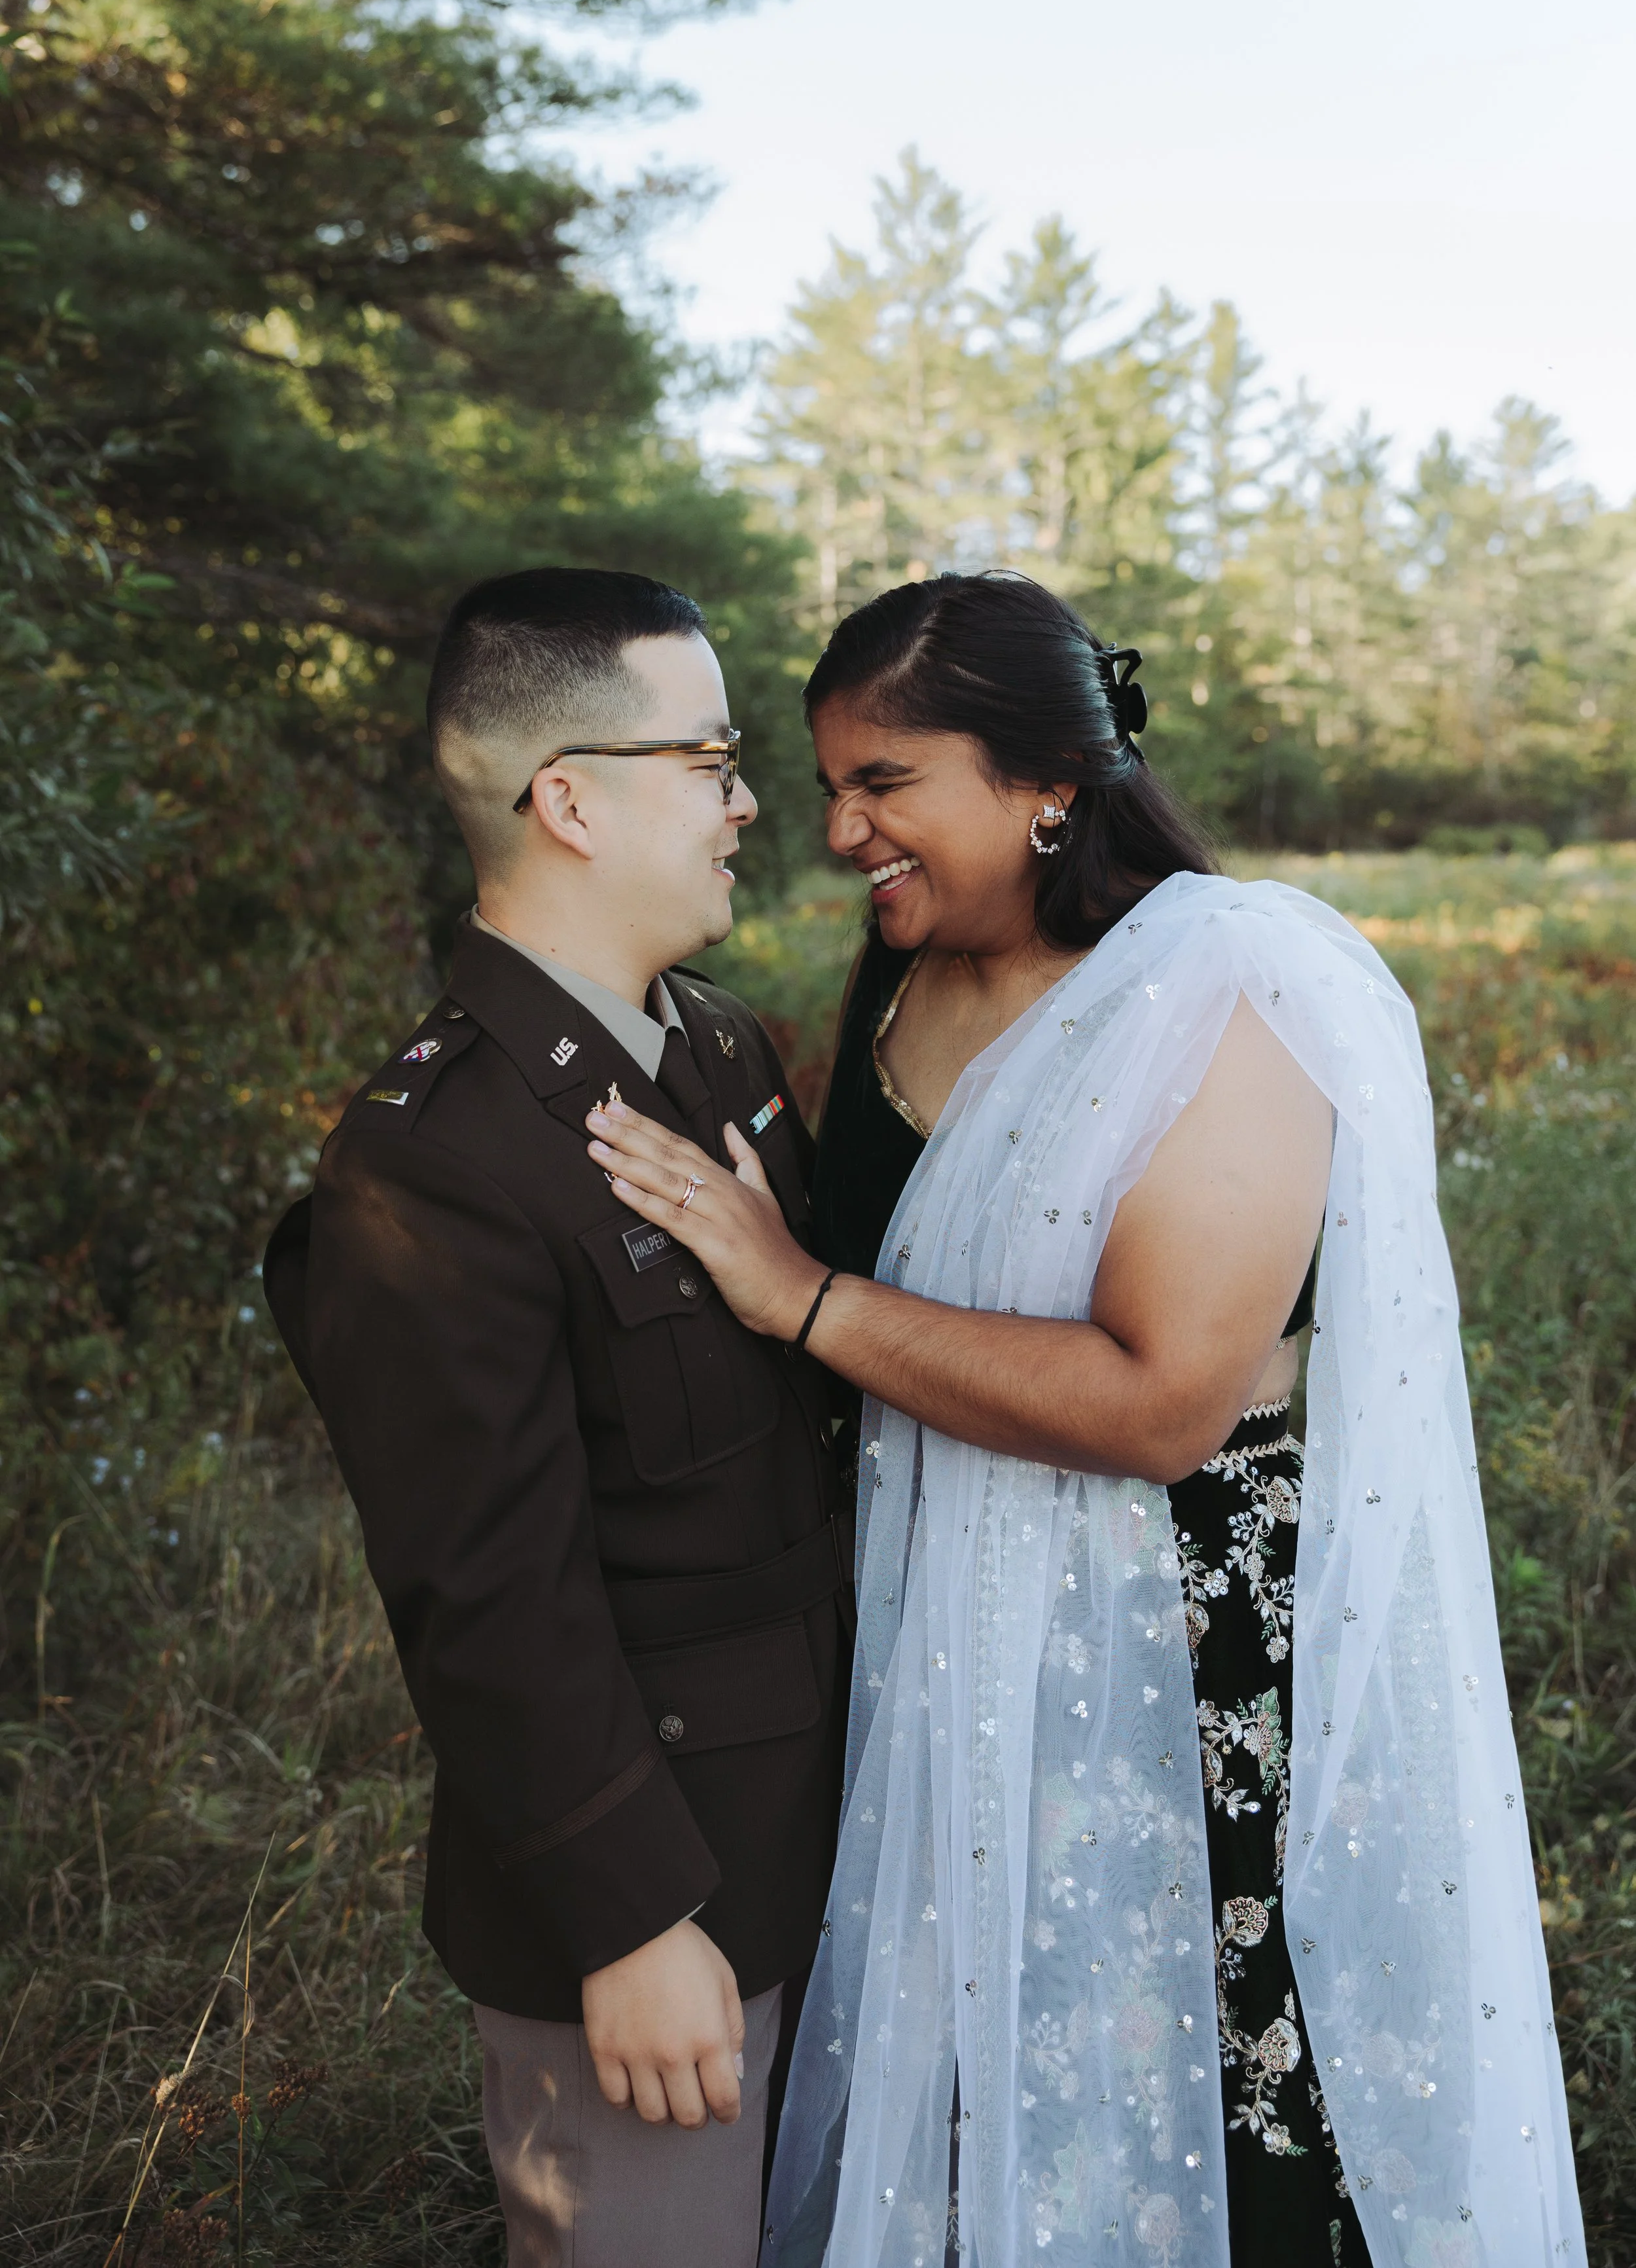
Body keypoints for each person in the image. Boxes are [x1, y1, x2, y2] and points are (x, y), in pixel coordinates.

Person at [582, 571, 1584, 2268]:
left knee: (1190, 2073)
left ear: (1049, 778)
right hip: (940, 1634)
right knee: (978, 2078)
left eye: (883, 782)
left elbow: (1158, 1399)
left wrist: (794, 1294)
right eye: (827, 786)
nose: (838, 831)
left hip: (1178, 1657)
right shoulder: (894, 995)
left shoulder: (1221, 985)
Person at [262, 567, 851, 2268]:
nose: (747, 800)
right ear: (568, 797)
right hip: (651, 1899)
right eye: (710, 758)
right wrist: (631, 1915)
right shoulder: (434, 1153)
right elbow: (484, 1590)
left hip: (821, 1827)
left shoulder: (720, 1048)